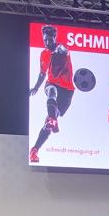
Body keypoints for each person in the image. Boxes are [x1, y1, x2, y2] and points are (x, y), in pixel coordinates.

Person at [29, 24, 75, 163]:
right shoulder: (43, 54)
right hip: (52, 84)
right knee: (51, 91)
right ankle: (34, 151)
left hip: (67, 91)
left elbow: (63, 51)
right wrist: (36, 87)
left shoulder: (62, 48)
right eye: (44, 40)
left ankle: (35, 148)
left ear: (54, 38)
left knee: (49, 124)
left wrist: (58, 50)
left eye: (49, 40)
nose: (47, 42)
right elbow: (42, 73)